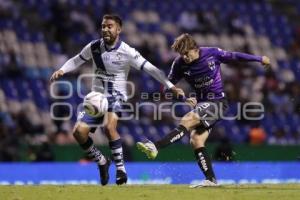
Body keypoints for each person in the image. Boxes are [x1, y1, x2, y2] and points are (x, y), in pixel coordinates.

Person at [50, 14, 184, 185]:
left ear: (118, 29)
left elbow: (151, 69)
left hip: (116, 96)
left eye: (110, 26)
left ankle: (121, 170)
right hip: (96, 98)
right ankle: (102, 161)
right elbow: (76, 60)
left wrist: (171, 86)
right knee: (78, 132)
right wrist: (62, 70)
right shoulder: (94, 47)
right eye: (103, 26)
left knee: (109, 126)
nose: (105, 29)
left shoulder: (127, 51)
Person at [137, 33, 270, 187]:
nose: (184, 57)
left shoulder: (212, 53)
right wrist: (182, 97)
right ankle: (211, 180)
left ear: (195, 49)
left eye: (186, 53)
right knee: (196, 140)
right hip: (202, 104)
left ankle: (156, 147)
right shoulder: (179, 63)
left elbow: (235, 56)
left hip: (218, 102)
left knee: (187, 119)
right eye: (181, 54)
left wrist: (259, 59)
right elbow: (167, 85)